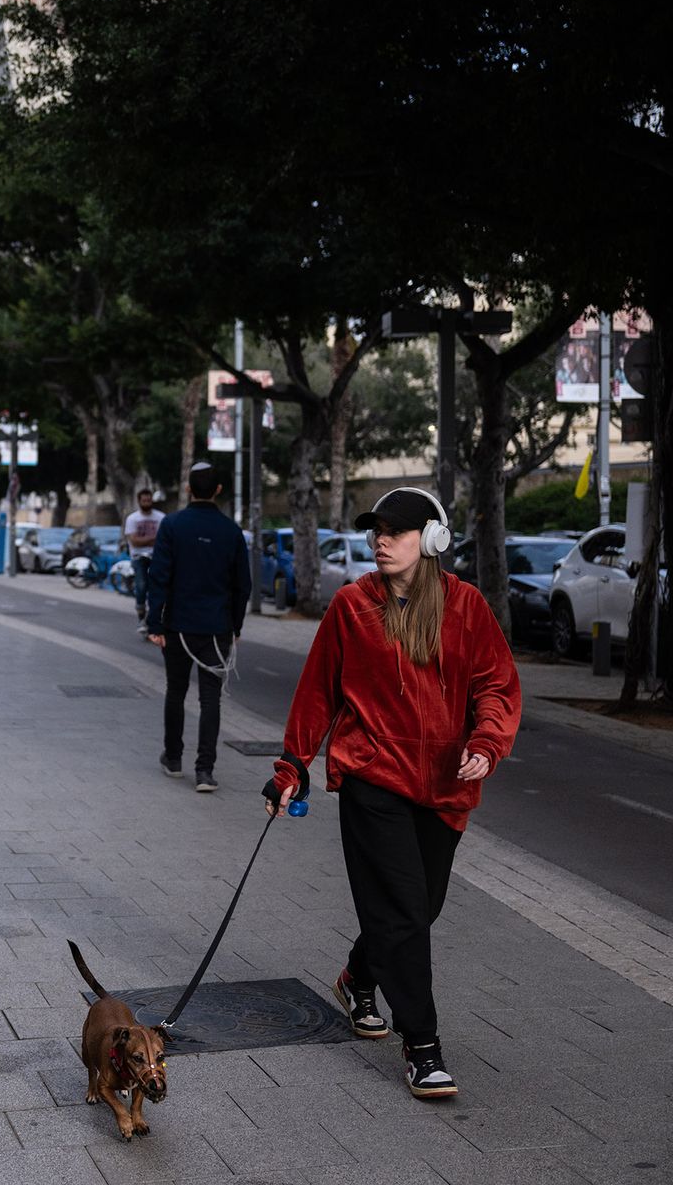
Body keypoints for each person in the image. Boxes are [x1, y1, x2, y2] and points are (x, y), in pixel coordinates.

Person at [265, 486, 520, 1102]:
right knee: (405, 912)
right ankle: (424, 1047)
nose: (381, 540)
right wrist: (291, 766)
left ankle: (357, 977)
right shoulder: (352, 606)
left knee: (419, 908)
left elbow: (496, 684)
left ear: (432, 540)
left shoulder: (466, 607)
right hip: (372, 776)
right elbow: (318, 693)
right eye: (376, 530)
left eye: (396, 531)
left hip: (444, 786)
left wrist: (486, 742)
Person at [144, 464, 250, 791]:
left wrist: (155, 622)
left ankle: (173, 758)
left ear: (189, 488)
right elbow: (242, 585)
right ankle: (205, 770)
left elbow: (159, 576)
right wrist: (236, 625)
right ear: (218, 489)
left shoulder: (172, 525)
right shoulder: (231, 531)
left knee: (176, 691)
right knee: (211, 699)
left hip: (178, 626)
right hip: (217, 627)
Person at [123, 487, 166, 630]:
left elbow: (164, 540)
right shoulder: (132, 519)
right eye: (144, 500)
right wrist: (153, 539)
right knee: (141, 586)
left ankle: (155, 618)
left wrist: (145, 540)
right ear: (139, 501)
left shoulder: (161, 517)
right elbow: (134, 541)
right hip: (138, 557)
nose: (147, 502)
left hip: (156, 557)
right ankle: (142, 617)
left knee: (158, 588)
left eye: (149, 500)